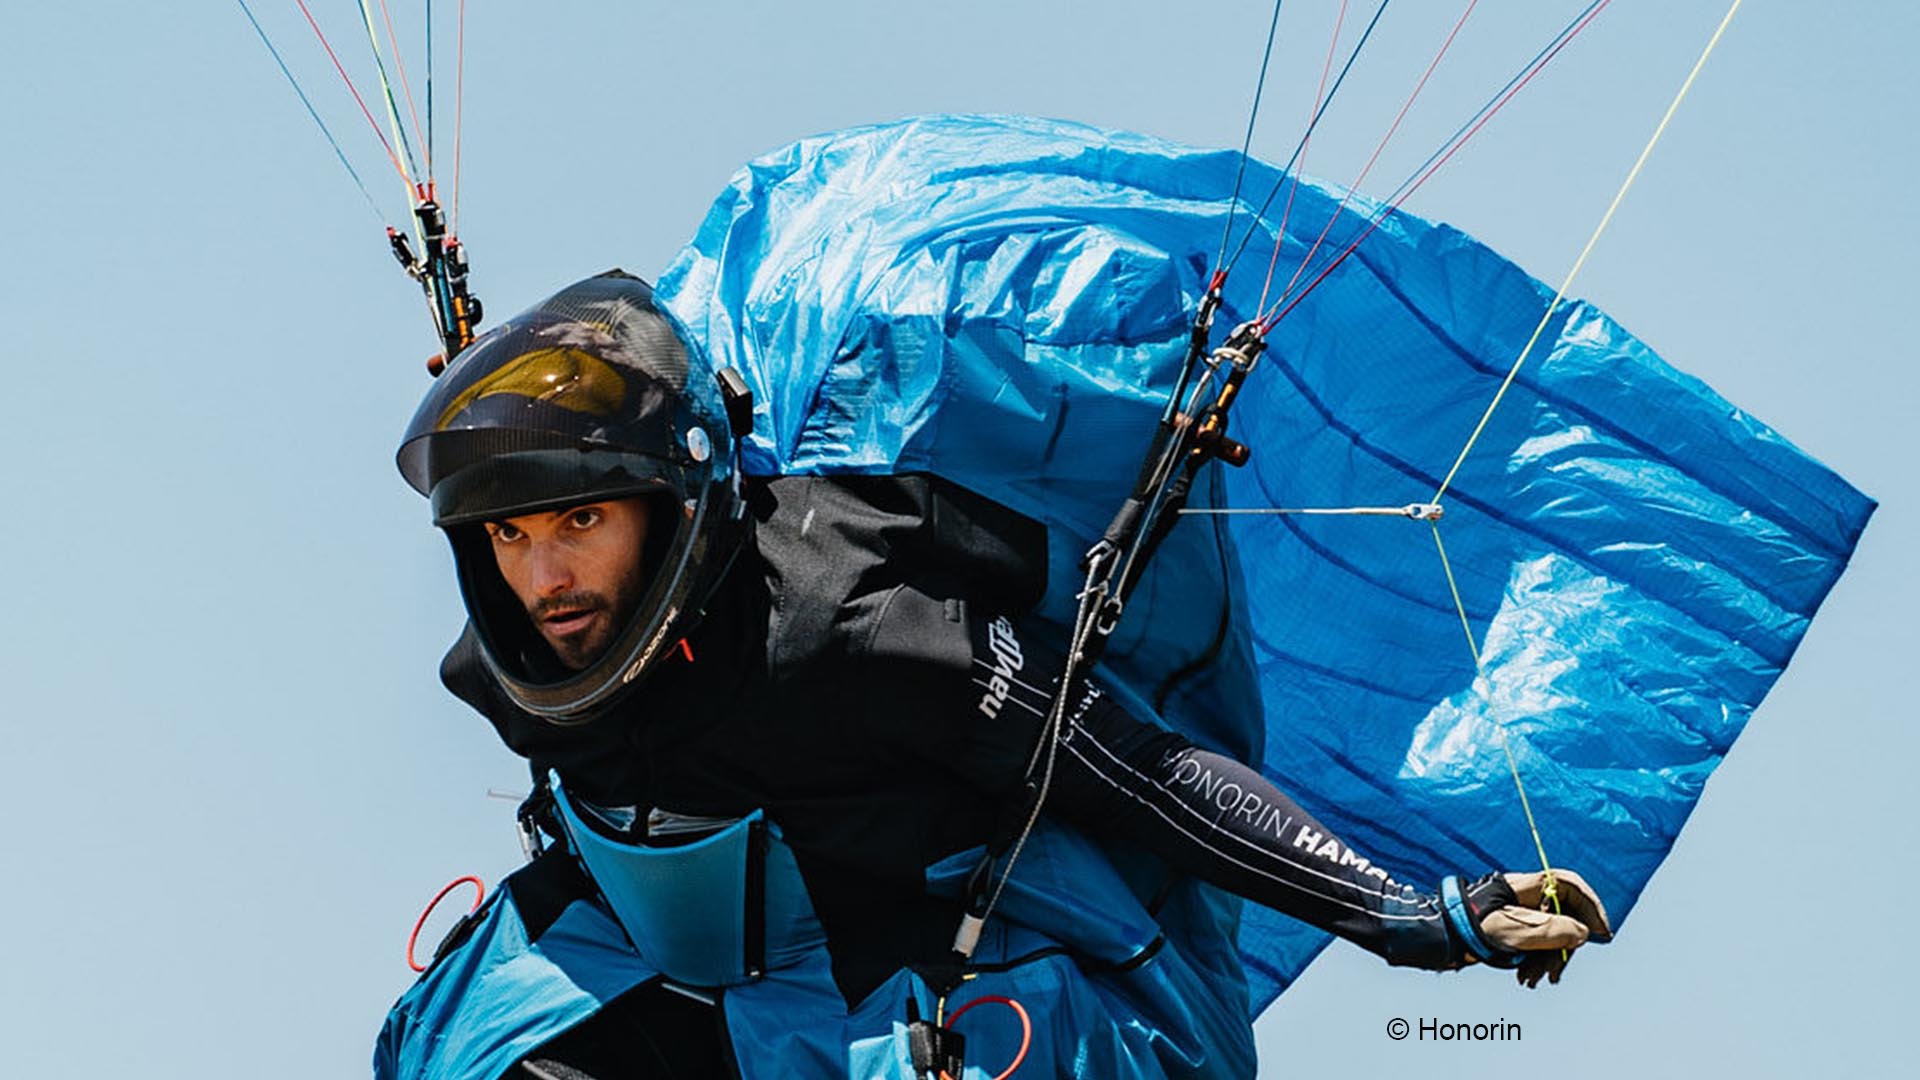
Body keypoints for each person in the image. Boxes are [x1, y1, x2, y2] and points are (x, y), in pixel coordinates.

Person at [377, 271, 1611, 1080]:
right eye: (507, 536)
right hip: (654, 966)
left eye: (578, 522)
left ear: (670, 503)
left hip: (890, 979)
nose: (545, 578)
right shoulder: (499, 668)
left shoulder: (851, 625)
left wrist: (1404, 914)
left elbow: (1131, 768)